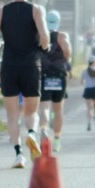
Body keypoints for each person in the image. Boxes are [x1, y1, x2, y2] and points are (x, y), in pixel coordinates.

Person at [0, 0, 49, 168]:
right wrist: (43, 47)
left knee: (12, 115)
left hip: (9, 66)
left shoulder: (1, 11)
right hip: (31, 65)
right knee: (31, 112)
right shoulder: (36, 10)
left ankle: (18, 154)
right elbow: (45, 37)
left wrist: (0, 44)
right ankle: (31, 134)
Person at [38, 10, 72, 147]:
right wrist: (65, 59)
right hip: (59, 74)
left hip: (43, 73)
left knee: (44, 107)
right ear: (58, 22)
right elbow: (68, 51)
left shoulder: (40, 36)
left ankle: (44, 130)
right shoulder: (62, 36)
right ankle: (57, 140)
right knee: (58, 110)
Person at [81, 53, 95, 129]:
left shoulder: (84, 71)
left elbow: (82, 82)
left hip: (87, 89)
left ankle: (89, 123)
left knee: (89, 108)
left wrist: (86, 82)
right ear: (94, 62)